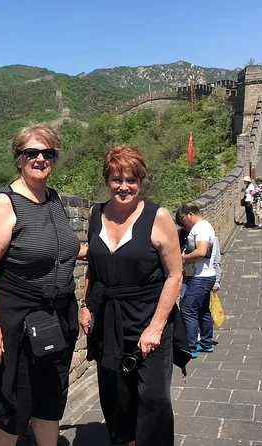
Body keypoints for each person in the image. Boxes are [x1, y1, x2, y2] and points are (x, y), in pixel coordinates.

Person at [0, 124, 86, 445]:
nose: (40, 159)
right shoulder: (6, 203)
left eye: (48, 153)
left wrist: (111, 250)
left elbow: (60, 249)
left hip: (57, 316)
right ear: (19, 158)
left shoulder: (53, 199)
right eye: (32, 152)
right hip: (18, 320)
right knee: (13, 399)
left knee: (51, 395)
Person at [79, 145, 183, 445]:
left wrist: (155, 327)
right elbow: (94, 268)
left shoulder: (157, 217)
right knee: (116, 398)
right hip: (108, 321)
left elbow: (175, 275)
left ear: (141, 181)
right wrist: (86, 305)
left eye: (131, 180)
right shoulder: (96, 214)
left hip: (148, 319)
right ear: (107, 180)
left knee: (153, 399)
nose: (124, 187)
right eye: (116, 179)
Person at [177, 203, 218, 358]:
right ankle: (206, 343)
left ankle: (191, 346)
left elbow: (201, 252)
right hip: (205, 276)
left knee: (187, 309)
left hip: (200, 277)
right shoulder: (204, 227)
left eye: (182, 219)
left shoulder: (200, 228)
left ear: (190, 214)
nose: (182, 224)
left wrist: (182, 258)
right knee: (202, 310)